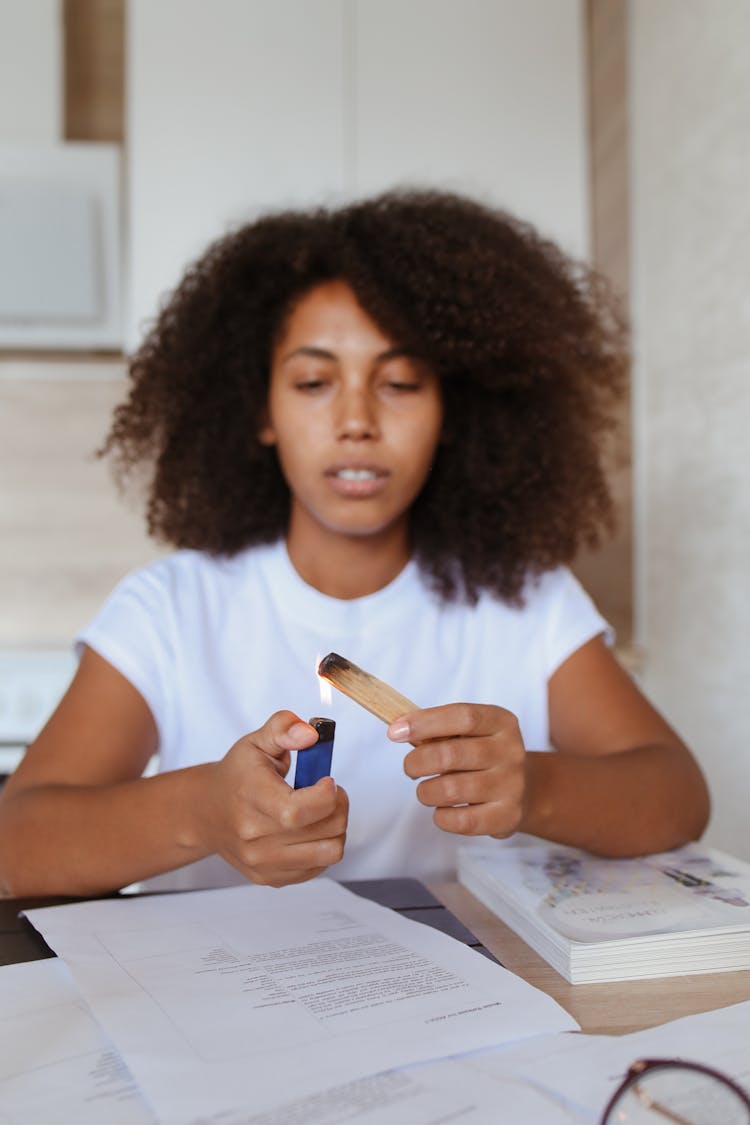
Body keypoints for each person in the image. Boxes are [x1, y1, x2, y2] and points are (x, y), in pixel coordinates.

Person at [0, 189, 709, 897]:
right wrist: (199, 811)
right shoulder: (170, 609)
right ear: (260, 410)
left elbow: (679, 796)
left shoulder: (526, 600)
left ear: (453, 412)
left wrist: (537, 786)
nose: (357, 419)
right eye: (314, 381)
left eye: (400, 381)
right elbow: (14, 843)